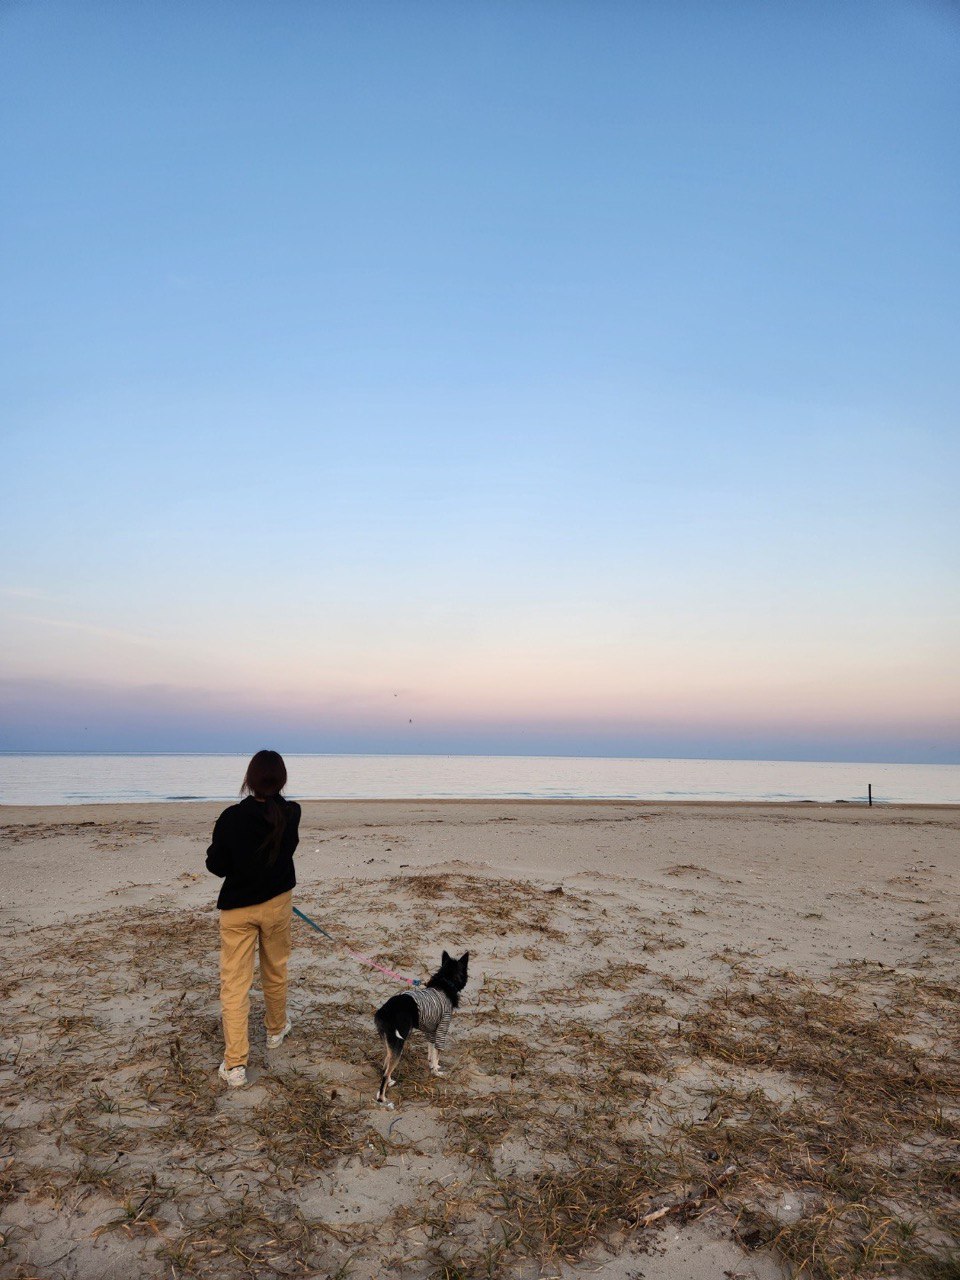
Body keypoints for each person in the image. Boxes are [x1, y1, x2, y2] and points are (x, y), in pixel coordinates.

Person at [206, 749, 301, 1087]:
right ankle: (274, 1030)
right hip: (275, 903)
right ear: (281, 780)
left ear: (249, 779)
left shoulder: (234, 817)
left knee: (235, 983)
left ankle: (236, 1063)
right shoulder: (290, 812)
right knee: (275, 968)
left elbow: (216, 864)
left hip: (240, 908)